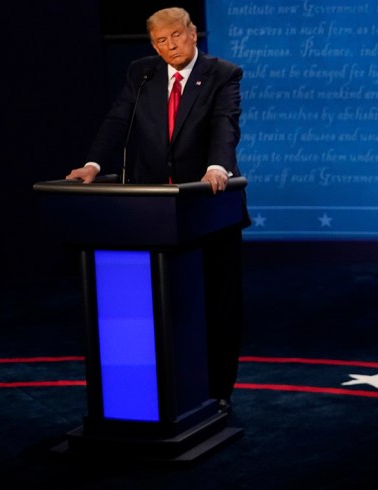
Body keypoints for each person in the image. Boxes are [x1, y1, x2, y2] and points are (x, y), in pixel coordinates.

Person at [66, 7, 247, 411]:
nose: (170, 47)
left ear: (193, 33)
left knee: (217, 303)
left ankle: (218, 390)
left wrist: (217, 166)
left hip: (207, 206)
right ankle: (160, 390)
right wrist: (94, 164)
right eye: (160, 41)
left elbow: (225, 123)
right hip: (150, 212)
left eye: (176, 37)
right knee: (158, 304)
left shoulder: (223, 73)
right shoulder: (142, 73)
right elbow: (117, 119)